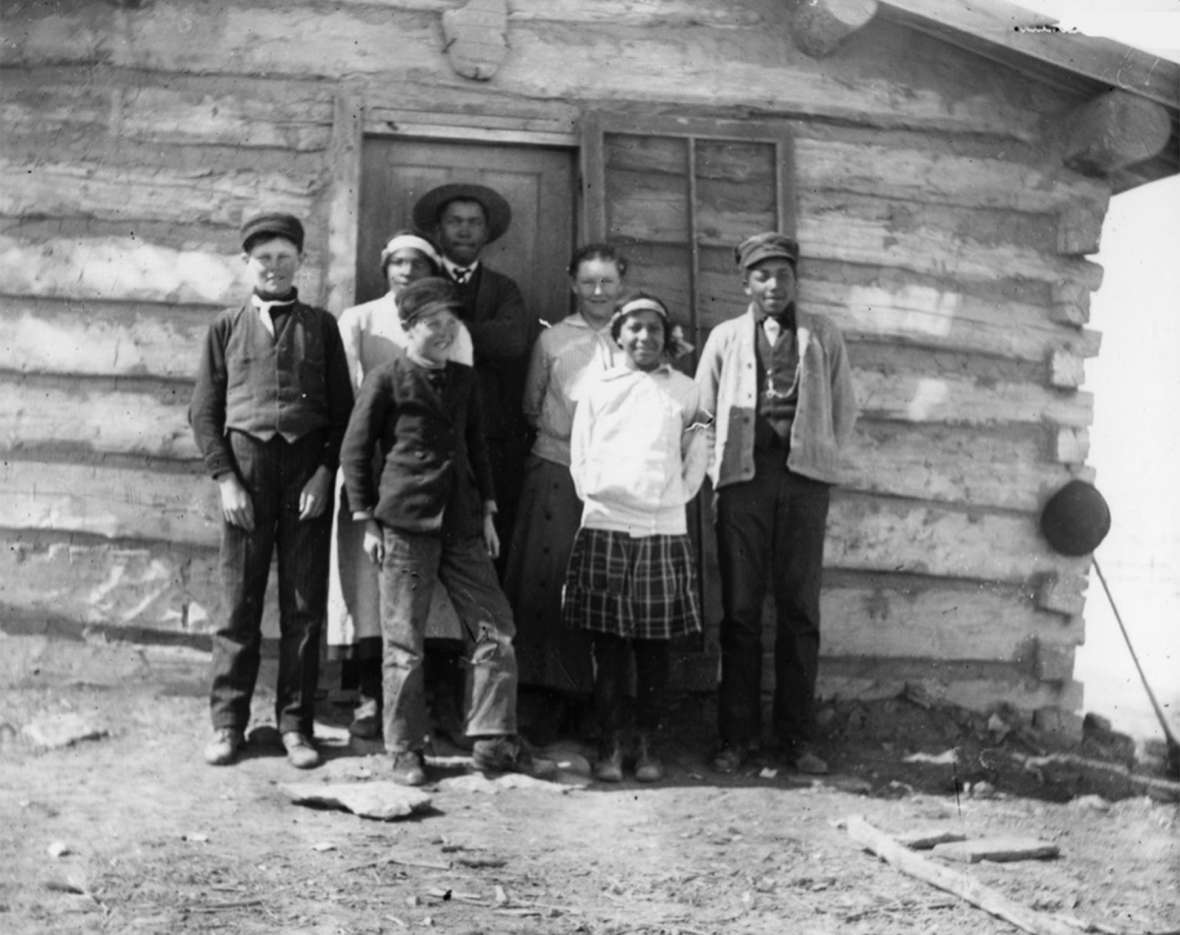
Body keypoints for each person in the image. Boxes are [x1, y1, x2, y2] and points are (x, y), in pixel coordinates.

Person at [339, 276, 546, 786]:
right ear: (408, 328)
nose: (445, 332)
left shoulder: (466, 380)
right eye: (434, 324)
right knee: (404, 642)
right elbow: (355, 452)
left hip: (464, 524)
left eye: (451, 323)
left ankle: (495, 741)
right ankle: (405, 748)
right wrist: (366, 520)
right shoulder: (386, 378)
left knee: (494, 628)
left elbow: (478, 449)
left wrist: (489, 513)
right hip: (404, 525)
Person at [190, 212, 354, 769]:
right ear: (247, 264)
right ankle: (228, 724)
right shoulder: (226, 327)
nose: (275, 268)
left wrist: (324, 474)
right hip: (248, 473)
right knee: (239, 604)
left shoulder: (321, 325)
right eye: (265, 258)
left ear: (299, 262)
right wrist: (226, 480)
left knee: (304, 606)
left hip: (306, 475)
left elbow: (343, 413)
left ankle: (296, 726)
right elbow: (204, 412)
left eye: (285, 257)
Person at [694, 232, 857, 776]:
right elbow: (701, 411)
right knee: (740, 612)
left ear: (794, 282)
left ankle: (795, 739)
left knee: (799, 610)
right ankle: (736, 738)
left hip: (803, 483)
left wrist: (816, 453)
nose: (773, 285)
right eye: (762, 275)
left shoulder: (821, 335)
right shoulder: (724, 339)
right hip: (742, 483)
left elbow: (843, 409)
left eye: (783, 275)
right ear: (745, 283)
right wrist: (717, 468)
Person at [327, 231, 473, 740]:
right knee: (372, 589)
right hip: (376, 466)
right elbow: (351, 396)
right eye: (398, 263)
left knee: (429, 601)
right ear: (384, 267)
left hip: (430, 475)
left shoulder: (451, 327)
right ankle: (371, 696)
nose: (406, 272)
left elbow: (458, 403)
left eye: (417, 264)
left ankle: (437, 701)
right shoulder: (359, 319)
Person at [563, 292, 711, 783]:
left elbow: (700, 448)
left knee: (653, 651)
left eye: (654, 328)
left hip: (661, 528)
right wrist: (596, 497)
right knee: (607, 649)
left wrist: (677, 496)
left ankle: (646, 743)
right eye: (635, 328)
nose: (644, 336)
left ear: (667, 337)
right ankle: (610, 742)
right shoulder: (598, 387)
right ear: (618, 334)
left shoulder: (688, 392)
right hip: (606, 523)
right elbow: (579, 451)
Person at [503, 243, 626, 741]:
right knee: (547, 583)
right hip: (556, 469)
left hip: (615, 478)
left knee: (601, 586)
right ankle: (545, 698)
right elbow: (532, 406)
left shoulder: (635, 336)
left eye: (608, 282)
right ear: (573, 284)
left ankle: (595, 706)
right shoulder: (553, 340)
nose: (599, 292)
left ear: (622, 286)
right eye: (589, 282)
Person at [412, 183, 531, 562]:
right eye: (454, 222)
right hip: (428, 429)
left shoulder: (503, 288)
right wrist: (483, 337)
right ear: (438, 230)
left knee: (483, 543)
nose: (464, 231)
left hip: (489, 434)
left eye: (473, 223)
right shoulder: (421, 285)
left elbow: (512, 343)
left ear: (486, 232)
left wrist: (447, 333)